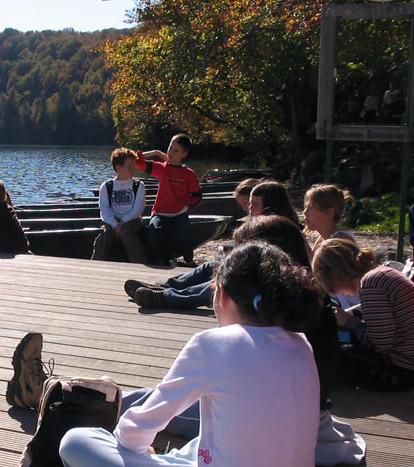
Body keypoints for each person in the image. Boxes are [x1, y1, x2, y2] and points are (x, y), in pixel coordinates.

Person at [60, 242, 322, 466]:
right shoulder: (302, 344)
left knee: (77, 441)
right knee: (207, 435)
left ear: (223, 295)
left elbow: (133, 433)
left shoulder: (214, 344)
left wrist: (140, 450)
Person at [125, 178, 262, 309]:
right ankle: (162, 286)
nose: (247, 209)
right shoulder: (256, 223)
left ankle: (165, 298)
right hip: (245, 270)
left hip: (253, 282)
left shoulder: (270, 226)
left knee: (222, 283)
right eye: (246, 204)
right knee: (209, 267)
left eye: (251, 204)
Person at [313, 238, 414, 390]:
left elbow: (380, 344)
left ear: (334, 275)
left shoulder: (371, 283)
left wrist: (348, 321)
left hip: (401, 370)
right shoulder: (382, 274)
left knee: (326, 354)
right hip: (405, 362)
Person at [135, 133, 202, 265]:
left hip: (179, 213)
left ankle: (189, 262)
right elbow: (137, 161)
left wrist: (184, 204)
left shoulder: (188, 173)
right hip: (160, 212)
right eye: (170, 148)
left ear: (184, 154)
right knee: (154, 232)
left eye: (176, 150)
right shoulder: (161, 167)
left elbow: (197, 197)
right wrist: (157, 153)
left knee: (184, 236)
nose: (171, 152)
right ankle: (164, 260)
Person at [303, 184, 359, 309]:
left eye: (310, 208)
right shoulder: (322, 238)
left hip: (350, 304)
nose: (304, 212)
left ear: (329, 212)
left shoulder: (340, 240)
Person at [91, 148, 147, 264]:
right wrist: (115, 225)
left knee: (127, 233)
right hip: (112, 221)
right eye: (129, 166)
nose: (133, 169)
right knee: (104, 236)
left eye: (134, 165)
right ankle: (95, 265)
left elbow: (138, 209)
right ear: (118, 168)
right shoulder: (106, 186)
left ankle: (139, 264)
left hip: (133, 220)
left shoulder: (138, 185)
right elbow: (105, 210)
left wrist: (122, 222)